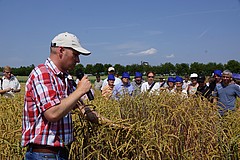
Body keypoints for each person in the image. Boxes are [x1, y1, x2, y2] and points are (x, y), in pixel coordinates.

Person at [21, 32, 104, 160]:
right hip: (44, 154)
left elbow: (82, 108)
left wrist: (118, 125)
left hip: (61, 153)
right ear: (61, 51)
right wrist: (80, 90)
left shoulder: (65, 79)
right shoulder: (42, 73)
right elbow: (52, 113)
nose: (78, 60)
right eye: (75, 55)